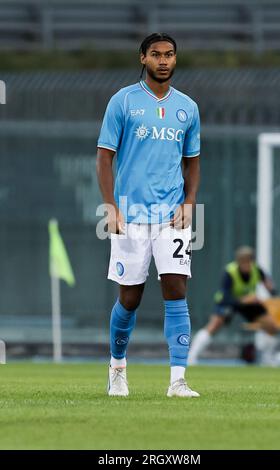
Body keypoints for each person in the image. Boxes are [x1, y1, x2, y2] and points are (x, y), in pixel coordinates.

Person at [96, 33, 201, 397]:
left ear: (175, 59)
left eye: (169, 54)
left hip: (172, 214)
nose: (163, 60)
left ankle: (178, 380)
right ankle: (117, 367)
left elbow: (193, 162)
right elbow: (104, 157)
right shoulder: (122, 101)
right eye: (156, 54)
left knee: (176, 288)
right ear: (143, 58)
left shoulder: (187, 107)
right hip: (130, 214)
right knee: (131, 297)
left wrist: (190, 201)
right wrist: (110, 205)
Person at [188, 246, 279, 365]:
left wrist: (269, 291)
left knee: (271, 326)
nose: (245, 265)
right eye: (243, 262)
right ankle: (191, 357)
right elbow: (226, 296)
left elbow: (271, 289)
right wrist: (244, 300)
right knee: (214, 324)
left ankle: (268, 359)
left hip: (248, 304)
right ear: (238, 262)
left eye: (248, 262)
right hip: (229, 302)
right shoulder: (229, 272)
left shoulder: (258, 270)